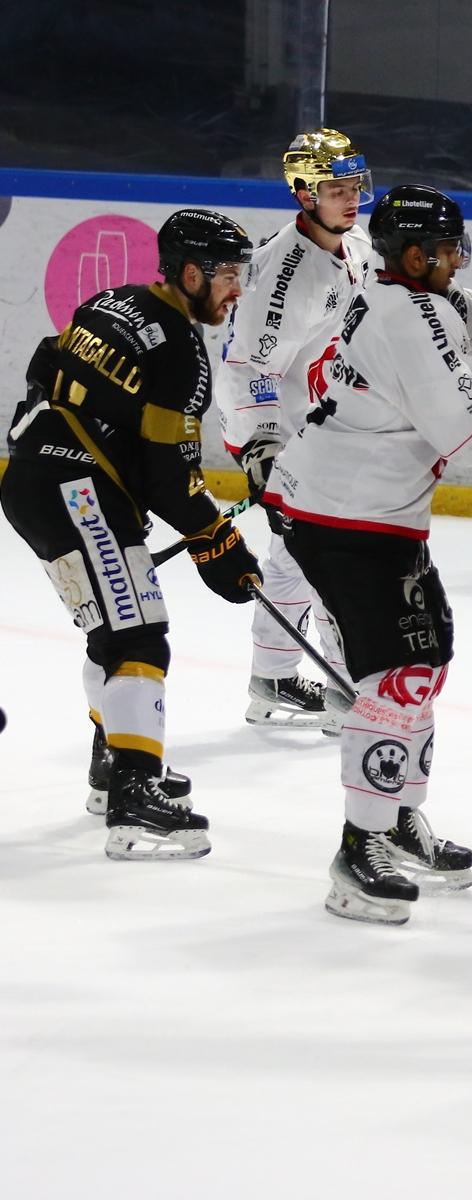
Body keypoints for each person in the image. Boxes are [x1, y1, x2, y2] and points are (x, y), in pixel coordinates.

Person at [263, 183, 472, 925]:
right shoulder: (410, 317)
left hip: (366, 511)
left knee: (424, 659)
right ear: (412, 256)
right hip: (347, 517)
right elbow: (469, 437)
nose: (456, 260)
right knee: (402, 672)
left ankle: (394, 816)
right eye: (447, 251)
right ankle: (360, 845)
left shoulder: (409, 297)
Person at [2, 209, 260, 859]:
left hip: (31, 480)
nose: (236, 289)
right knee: (137, 633)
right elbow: (171, 476)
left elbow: (44, 370)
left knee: (113, 628)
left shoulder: (110, 301)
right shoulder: (179, 352)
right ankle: (134, 801)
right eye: (228, 275)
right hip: (80, 496)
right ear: (192, 273)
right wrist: (219, 545)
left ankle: (115, 762)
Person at [216, 127, 373, 729]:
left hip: (318, 422)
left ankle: (274, 676)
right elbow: (248, 365)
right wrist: (264, 448)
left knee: (296, 556)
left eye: (353, 183)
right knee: (332, 549)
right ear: (304, 194)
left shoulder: (352, 241)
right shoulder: (286, 273)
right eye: (336, 188)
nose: (350, 196)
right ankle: (342, 687)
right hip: (280, 431)